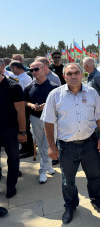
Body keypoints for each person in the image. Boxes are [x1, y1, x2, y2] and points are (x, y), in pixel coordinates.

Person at [41, 63, 100, 224]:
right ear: (64, 76)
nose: (73, 76)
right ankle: (70, 206)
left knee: (95, 176)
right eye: (69, 73)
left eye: (76, 73)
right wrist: (51, 146)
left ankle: (97, 200)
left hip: (90, 144)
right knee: (68, 181)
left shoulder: (91, 93)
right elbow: (48, 122)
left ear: (81, 74)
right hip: (67, 146)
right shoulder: (55, 95)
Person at [24, 61, 58, 184]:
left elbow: (59, 104)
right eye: (31, 70)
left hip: (50, 120)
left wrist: (47, 106)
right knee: (40, 144)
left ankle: (42, 170)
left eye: (36, 69)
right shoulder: (29, 87)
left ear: (44, 69)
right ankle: (48, 166)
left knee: (47, 146)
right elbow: (24, 102)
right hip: (35, 118)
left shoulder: (54, 86)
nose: (33, 72)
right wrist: (32, 105)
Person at [0, 59, 27, 198]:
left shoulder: (13, 86)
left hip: (9, 130)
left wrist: (22, 131)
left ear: (2, 67)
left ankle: (11, 184)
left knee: (13, 158)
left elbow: (21, 112)